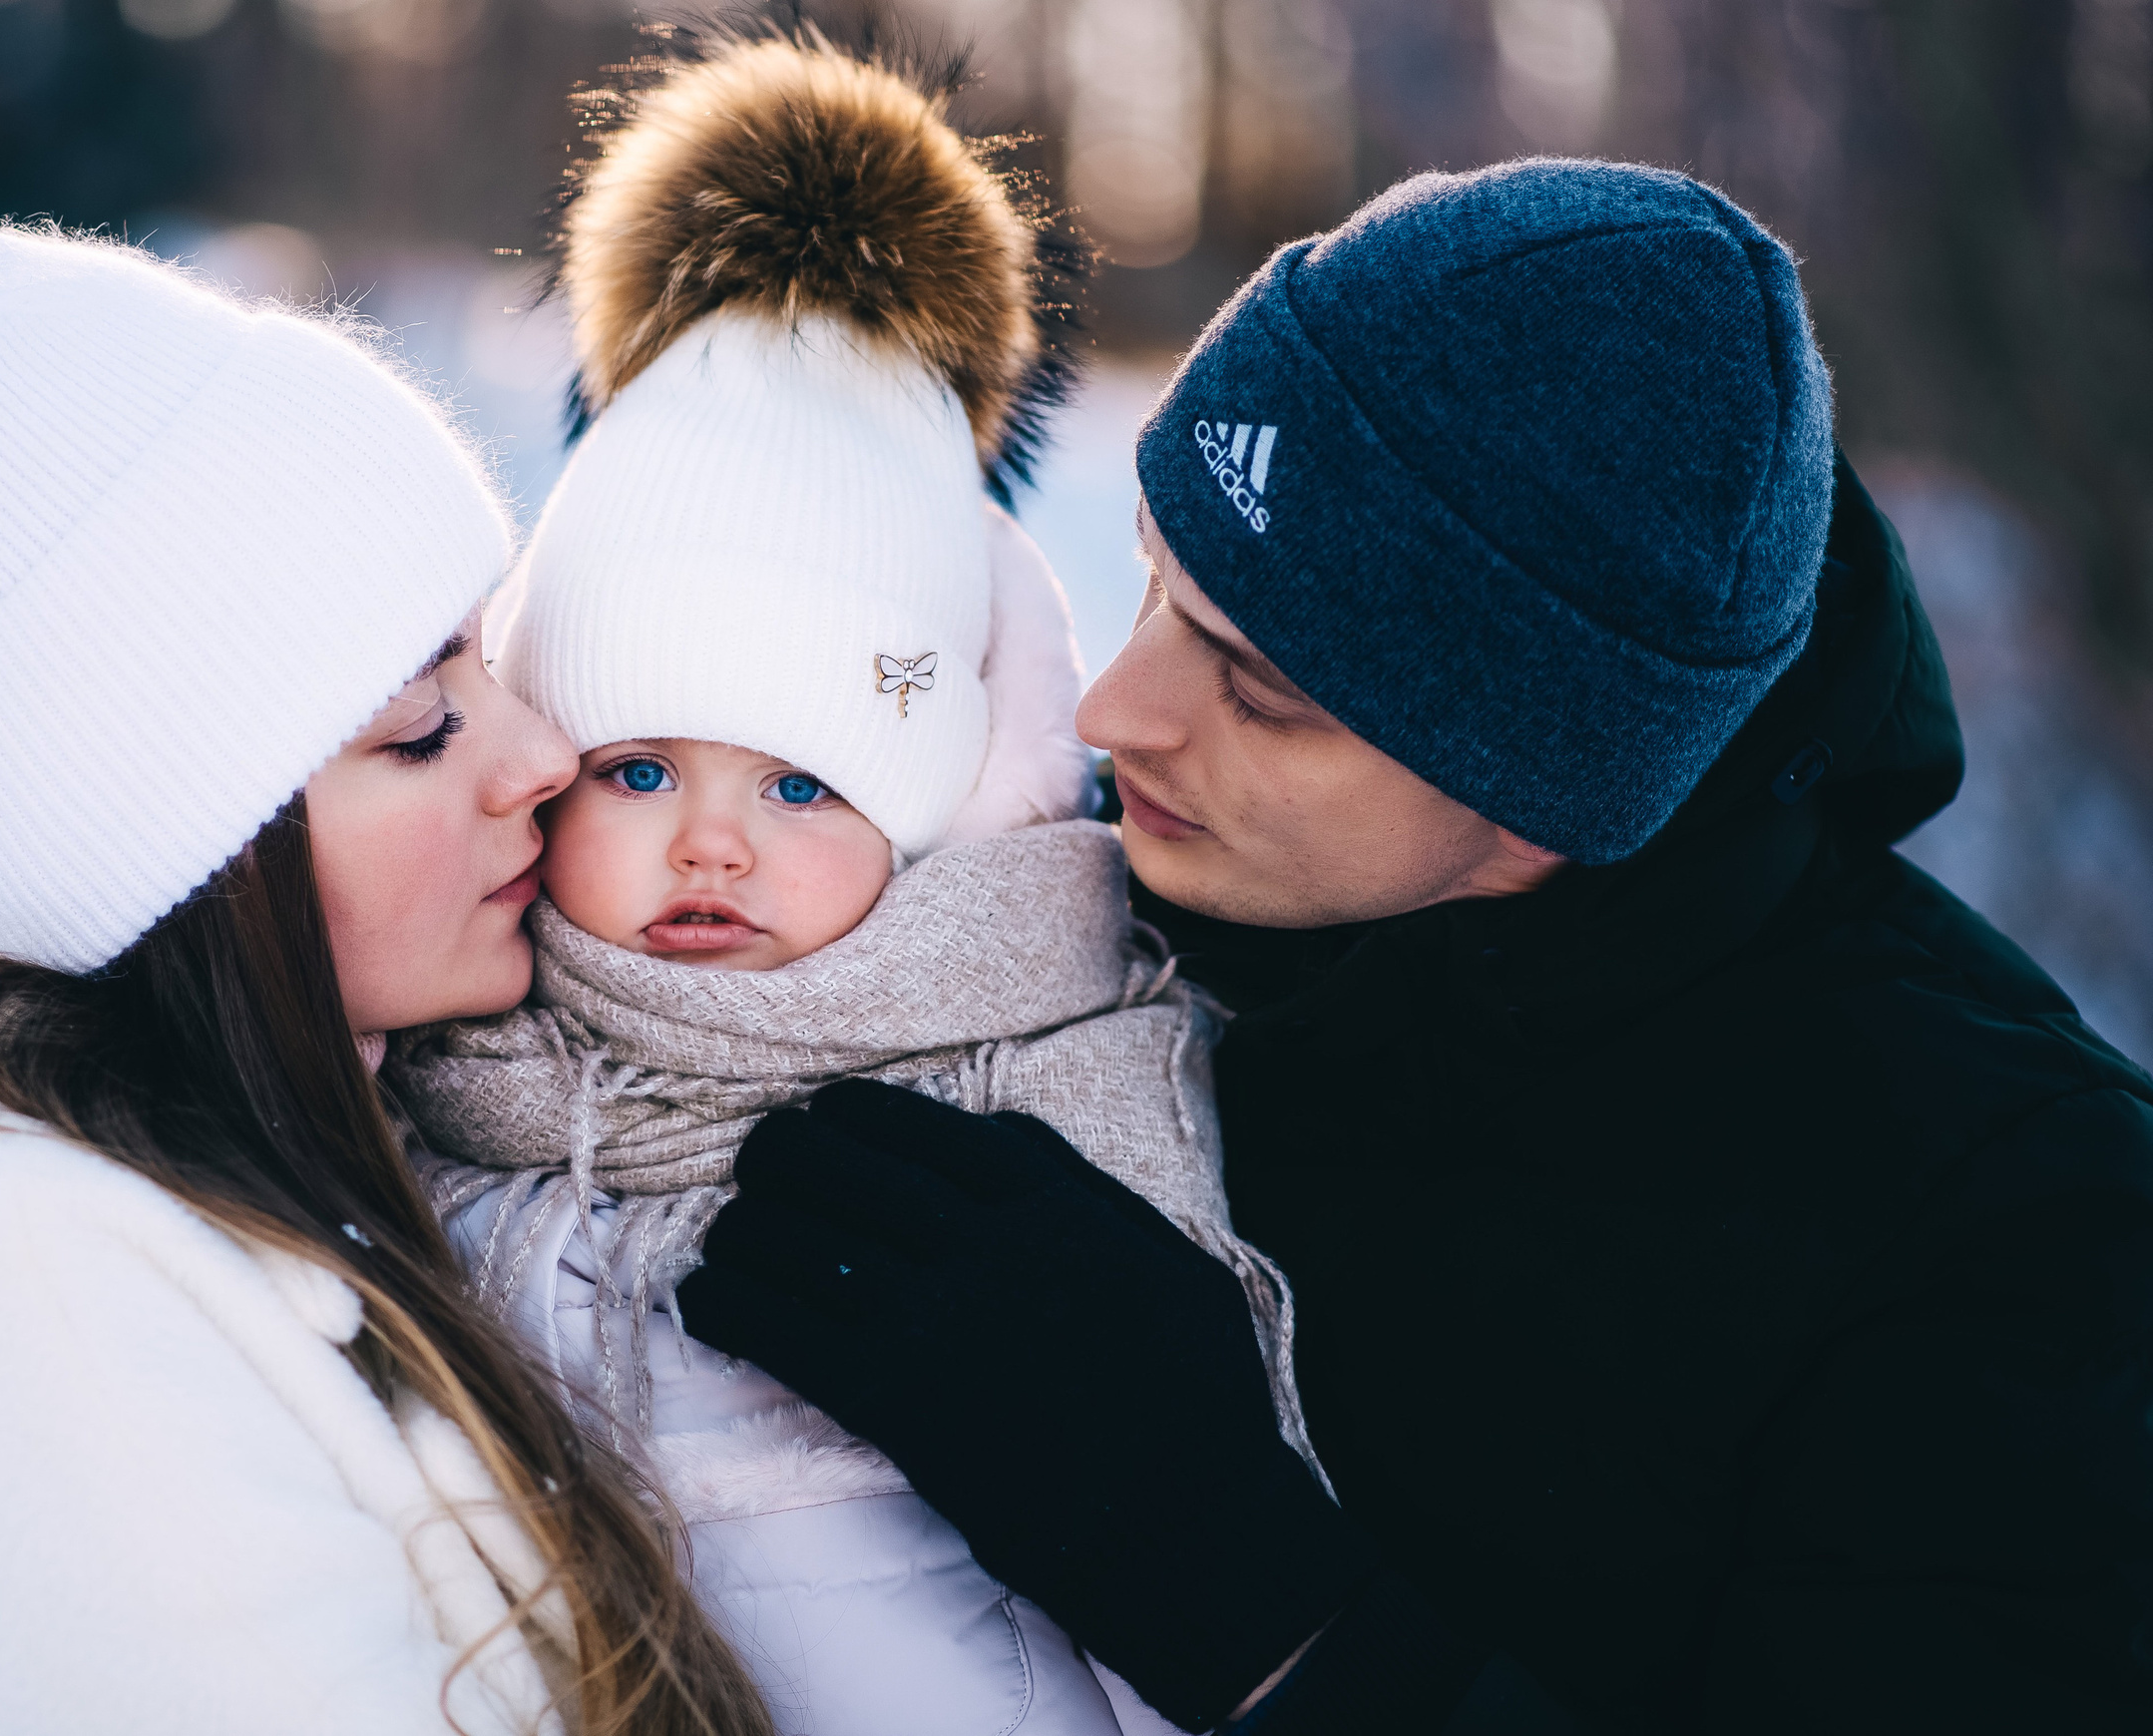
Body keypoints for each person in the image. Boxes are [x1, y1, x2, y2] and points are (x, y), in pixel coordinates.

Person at [679, 160, 2153, 1732]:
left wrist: (1238, 1591)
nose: (1120, 712)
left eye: (1258, 691)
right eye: (1159, 584)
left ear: (1545, 784)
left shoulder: (2021, 1237)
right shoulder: (1090, 894)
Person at [0, 210, 773, 1735]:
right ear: (181, 852)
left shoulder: (279, 1161)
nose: (541, 757)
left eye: (486, 661)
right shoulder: (14, 1310)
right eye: (420, 729)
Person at [383, 39, 1291, 1736]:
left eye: (802, 783)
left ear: (935, 808)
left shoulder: (1040, 1089)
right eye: (639, 770)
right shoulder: (437, 1071)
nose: (710, 845)